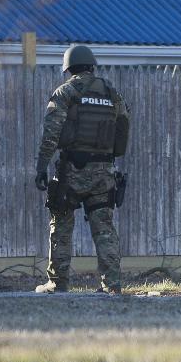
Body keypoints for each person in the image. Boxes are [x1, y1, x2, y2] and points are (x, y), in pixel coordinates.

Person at [33, 45, 130, 294]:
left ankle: (58, 282)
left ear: (69, 68)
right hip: (103, 170)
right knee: (104, 229)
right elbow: (123, 130)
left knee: (61, 226)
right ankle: (112, 284)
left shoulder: (66, 92)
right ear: (91, 65)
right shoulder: (112, 93)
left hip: (71, 171)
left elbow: (51, 134)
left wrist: (41, 167)